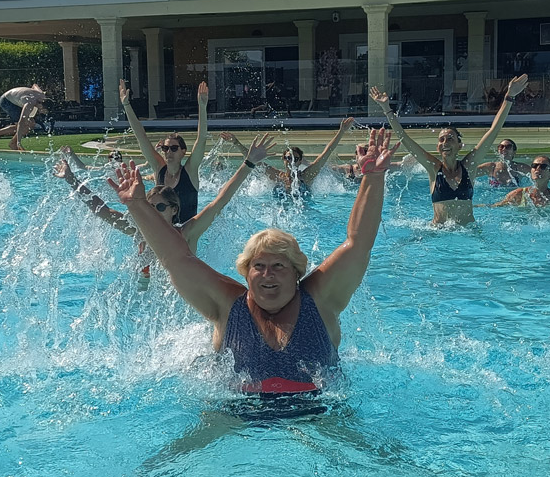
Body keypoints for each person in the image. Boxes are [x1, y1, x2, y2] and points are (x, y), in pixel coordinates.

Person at [108, 127, 397, 397]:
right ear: (246, 273)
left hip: (317, 412)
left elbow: (358, 245)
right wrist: (137, 205)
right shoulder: (226, 304)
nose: (267, 274)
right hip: (239, 415)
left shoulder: (321, 300)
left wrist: (373, 178)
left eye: (279, 266)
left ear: (297, 273)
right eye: (258, 266)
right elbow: (175, 257)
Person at [55, 132, 273, 256]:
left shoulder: (186, 233)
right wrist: (71, 179)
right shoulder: (139, 231)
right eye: (151, 207)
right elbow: (101, 210)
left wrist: (249, 163)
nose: (154, 212)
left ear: (174, 210)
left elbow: (220, 200)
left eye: (160, 207)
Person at [369, 74, 528, 226]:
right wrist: (386, 109)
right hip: (439, 234)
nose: (445, 142)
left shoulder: (468, 166)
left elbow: (493, 131)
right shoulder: (433, 168)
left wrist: (509, 96)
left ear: (460, 145)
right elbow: (405, 138)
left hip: (468, 233)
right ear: (438, 147)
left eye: (450, 138)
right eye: (441, 139)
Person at [120, 78, 210, 217]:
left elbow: (201, 139)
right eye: (165, 148)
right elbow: (141, 137)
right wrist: (126, 105)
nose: (168, 152)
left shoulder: (190, 172)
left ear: (183, 152)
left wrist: (202, 107)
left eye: (174, 148)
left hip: (184, 235)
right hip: (162, 231)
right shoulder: (159, 169)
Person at [220, 115, 356, 198]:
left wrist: (341, 132)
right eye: (288, 158)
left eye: (296, 159)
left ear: (300, 161)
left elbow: (326, 153)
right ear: (283, 160)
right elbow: (252, 161)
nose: (292, 161)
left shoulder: (307, 176)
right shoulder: (277, 176)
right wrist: (236, 143)